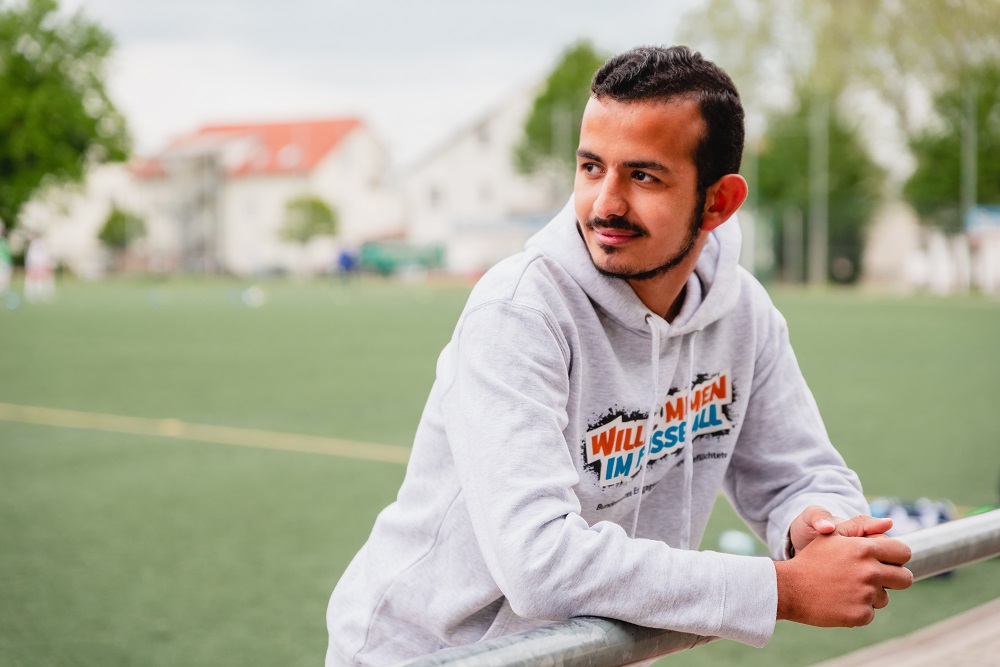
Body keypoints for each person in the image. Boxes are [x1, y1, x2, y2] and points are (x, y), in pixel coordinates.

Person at [325, 45, 912, 666]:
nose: (605, 203)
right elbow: (538, 561)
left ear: (718, 202)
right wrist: (780, 590)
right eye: (591, 167)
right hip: (433, 657)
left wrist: (821, 525)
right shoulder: (519, 311)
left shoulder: (743, 313)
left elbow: (799, 472)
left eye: (643, 176)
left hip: (580, 654)